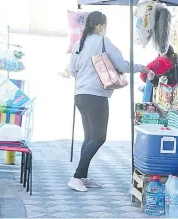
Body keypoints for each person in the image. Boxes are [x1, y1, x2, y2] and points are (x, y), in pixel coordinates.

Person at [68, 11, 150, 192]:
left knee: (89, 137)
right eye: (105, 26)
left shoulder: (77, 44)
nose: (106, 29)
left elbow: (72, 70)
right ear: (99, 26)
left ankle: (82, 176)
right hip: (96, 96)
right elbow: (122, 65)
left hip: (80, 95)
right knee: (99, 137)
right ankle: (76, 177)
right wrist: (141, 67)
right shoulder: (103, 41)